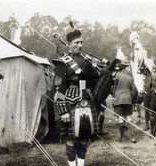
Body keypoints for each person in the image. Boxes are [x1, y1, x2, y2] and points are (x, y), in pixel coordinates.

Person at [52, 28, 116, 166]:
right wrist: (62, 110)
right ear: (69, 43)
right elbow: (58, 87)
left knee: (84, 137)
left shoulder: (86, 61)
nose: (80, 45)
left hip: (87, 100)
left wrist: (106, 70)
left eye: (81, 42)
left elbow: (95, 80)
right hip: (70, 101)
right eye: (77, 42)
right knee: (71, 137)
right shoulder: (62, 62)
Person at [112, 59, 138, 143]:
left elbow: (111, 89)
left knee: (120, 118)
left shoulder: (115, 77)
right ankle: (133, 137)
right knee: (129, 117)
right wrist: (131, 98)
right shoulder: (129, 77)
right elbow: (135, 90)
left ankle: (122, 137)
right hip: (127, 99)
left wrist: (114, 95)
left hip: (118, 99)